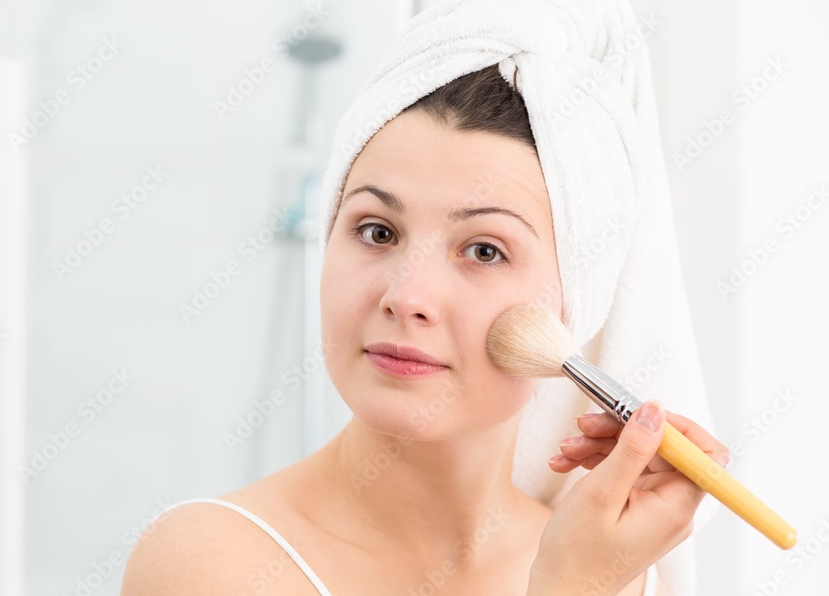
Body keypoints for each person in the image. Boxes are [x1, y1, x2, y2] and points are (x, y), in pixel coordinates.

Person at [119, 65, 730, 595]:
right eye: (377, 232)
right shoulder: (210, 562)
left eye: (484, 251)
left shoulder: (622, 572)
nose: (406, 297)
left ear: (576, 304)